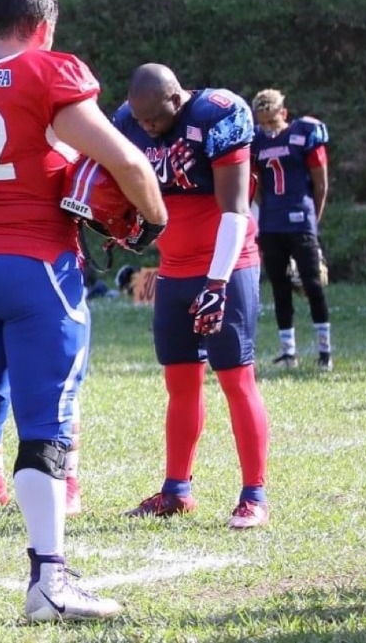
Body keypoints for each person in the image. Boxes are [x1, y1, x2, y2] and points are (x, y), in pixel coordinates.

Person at [0, 0, 166, 621]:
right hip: (38, 266)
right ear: (43, 27)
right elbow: (130, 164)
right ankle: (49, 580)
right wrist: (156, 223)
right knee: (47, 426)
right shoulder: (49, 73)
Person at [114, 64, 271, 531]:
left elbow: (235, 210)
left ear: (177, 100)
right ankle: (176, 489)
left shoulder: (218, 115)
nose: (145, 128)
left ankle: (254, 494)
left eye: (154, 120)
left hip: (227, 265)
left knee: (236, 380)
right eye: (138, 119)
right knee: (179, 384)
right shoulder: (129, 119)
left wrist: (217, 283)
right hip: (174, 270)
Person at [251, 90, 333, 370]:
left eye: (272, 122)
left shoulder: (305, 133)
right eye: (262, 124)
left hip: (301, 219)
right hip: (272, 223)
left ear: (284, 114)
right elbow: (257, 186)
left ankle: (325, 351)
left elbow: (321, 184)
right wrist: (270, 209)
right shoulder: (256, 140)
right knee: (279, 288)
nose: (268, 129)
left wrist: (312, 220)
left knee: (312, 285)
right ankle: (288, 352)